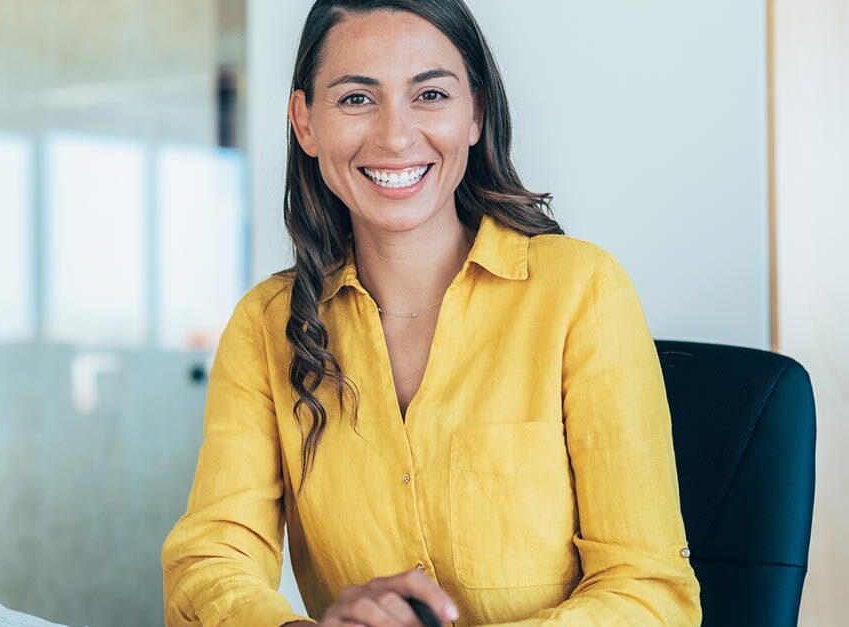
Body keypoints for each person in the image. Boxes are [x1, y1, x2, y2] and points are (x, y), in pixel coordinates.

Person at [161, 0, 702, 625]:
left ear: (475, 112)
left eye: (431, 95)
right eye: (357, 99)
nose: (394, 136)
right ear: (305, 123)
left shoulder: (580, 290)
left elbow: (651, 593)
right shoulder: (266, 326)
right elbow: (209, 561)